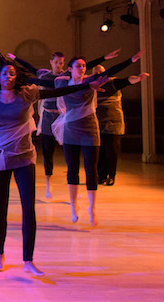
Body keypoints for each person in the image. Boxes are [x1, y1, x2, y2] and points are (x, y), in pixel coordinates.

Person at [0, 53, 108, 276]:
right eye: (5, 73)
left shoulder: (27, 94)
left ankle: (28, 260)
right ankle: (0, 255)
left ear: (17, 77)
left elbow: (56, 91)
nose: (8, 76)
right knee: (0, 207)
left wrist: (87, 85)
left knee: (28, 208)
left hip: (24, 155)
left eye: (12, 73)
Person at [10, 49, 120, 199]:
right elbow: (30, 69)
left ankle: (75, 188)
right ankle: (49, 186)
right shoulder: (46, 75)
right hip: (49, 117)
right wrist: (16, 59)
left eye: (61, 63)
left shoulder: (67, 76)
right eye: (56, 63)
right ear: (51, 62)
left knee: (73, 155)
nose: (59, 65)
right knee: (48, 152)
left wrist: (104, 57)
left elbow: (84, 67)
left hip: (65, 118)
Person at [52, 51, 144, 226]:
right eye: (78, 66)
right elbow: (40, 82)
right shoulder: (61, 83)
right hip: (71, 129)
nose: (82, 68)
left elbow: (112, 72)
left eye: (84, 66)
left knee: (91, 170)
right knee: (72, 169)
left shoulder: (90, 81)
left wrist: (130, 60)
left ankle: (92, 208)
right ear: (70, 69)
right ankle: (73, 206)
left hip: (90, 130)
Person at [92, 65, 150, 186]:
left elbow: (127, 81)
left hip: (113, 123)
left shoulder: (112, 82)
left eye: (101, 72)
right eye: (96, 73)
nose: (98, 75)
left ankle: (111, 176)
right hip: (97, 123)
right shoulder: (91, 86)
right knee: (100, 150)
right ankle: (100, 176)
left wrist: (138, 78)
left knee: (111, 150)